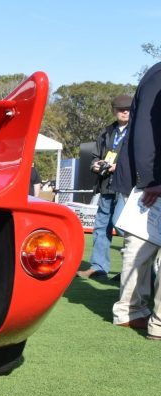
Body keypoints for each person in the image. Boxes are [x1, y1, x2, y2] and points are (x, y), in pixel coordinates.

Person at [111, 65, 160, 335]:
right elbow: (145, 133)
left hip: (148, 178)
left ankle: (131, 310)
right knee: (140, 245)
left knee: (140, 246)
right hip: (150, 180)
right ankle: (136, 312)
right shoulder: (158, 77)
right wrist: (151, 179)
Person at [77, 95, 132, 279]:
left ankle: (133, 270)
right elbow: (94, 156)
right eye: (120, 108)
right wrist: (95, 165)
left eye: (128, 108)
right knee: (101, 227)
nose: (125, 111)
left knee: (123, 225)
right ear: (114, 111)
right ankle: (98, 267)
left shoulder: (138, 132)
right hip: (106, 185)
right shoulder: (107, 131)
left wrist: (120, 166)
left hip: (127, 187)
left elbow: (141, 159)